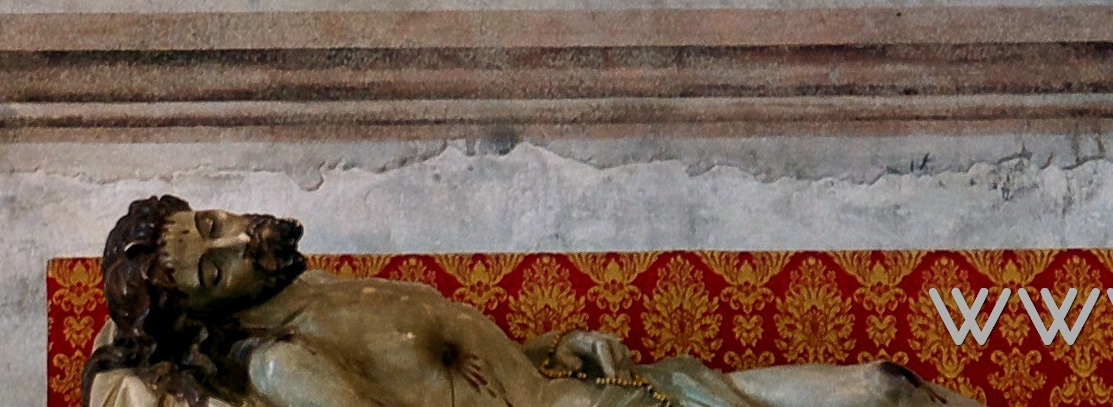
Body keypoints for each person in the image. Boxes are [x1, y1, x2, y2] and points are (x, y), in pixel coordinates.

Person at [85, 198, 970, 407]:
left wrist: (553, 340)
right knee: (882, 392)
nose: (240, 241)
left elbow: (444, 373)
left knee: (887, 387)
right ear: (206, 313)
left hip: (591, 385)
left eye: (212, 222)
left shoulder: (309, 285)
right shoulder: (282, 360)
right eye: (215, 268)